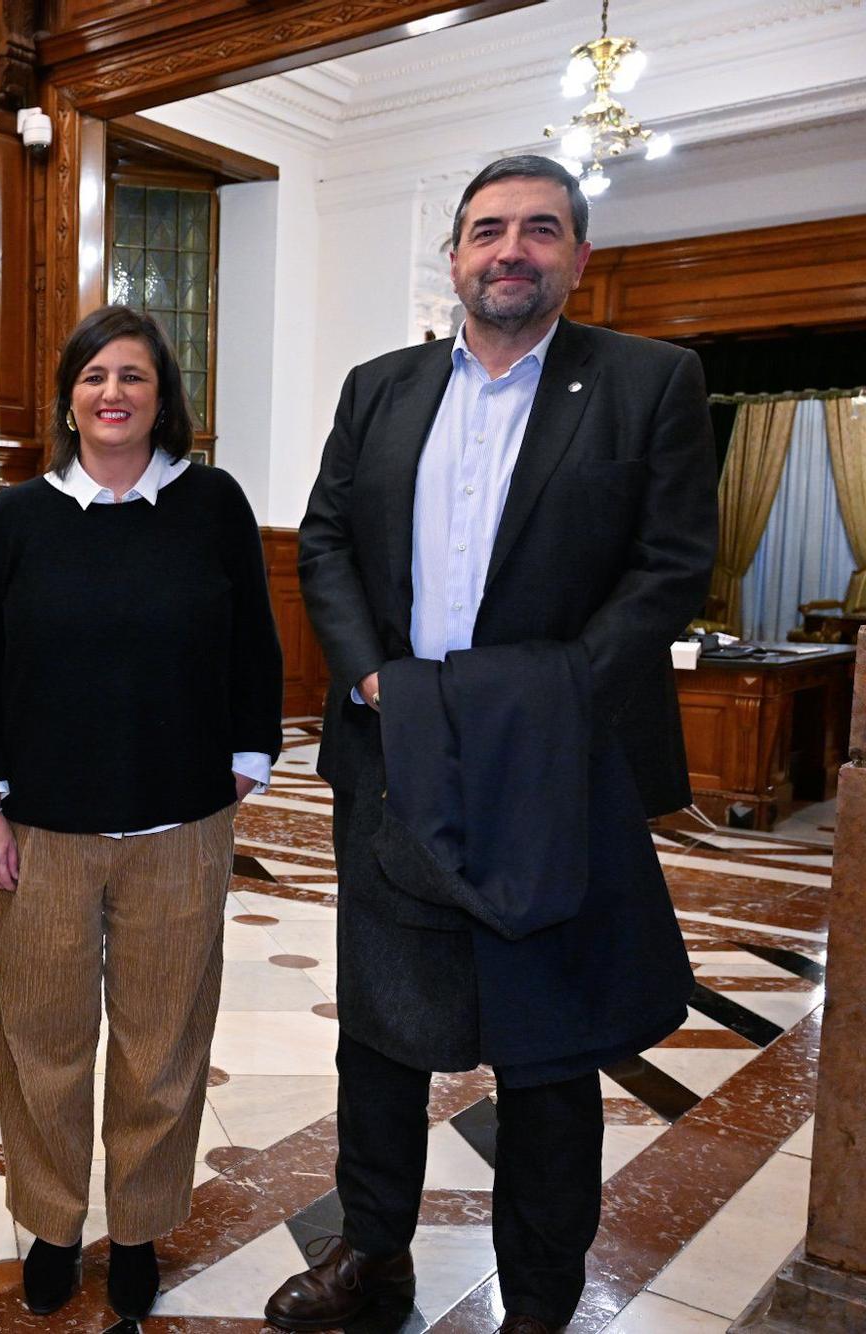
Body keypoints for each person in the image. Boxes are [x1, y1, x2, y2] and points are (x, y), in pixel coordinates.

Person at [268, 155, 717, 1334]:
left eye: (537, 229)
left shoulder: (647, 381)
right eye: (484, 230)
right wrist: (367, 670)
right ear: (453, 257)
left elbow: (668, 565)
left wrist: (550, 692)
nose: (507, 248)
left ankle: (537, 1301)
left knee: (548, 1054)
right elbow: (322, 542)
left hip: (553, 766)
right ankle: (372, 1256)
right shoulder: (379, 387)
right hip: (393, 753)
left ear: (575, 255)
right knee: (378, 1035)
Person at [0, 304, 283, 1320]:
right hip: (42, 831)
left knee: (162, 1044)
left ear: (160, 396)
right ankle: (53, 1224)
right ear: (68, 397)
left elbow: (253, 643)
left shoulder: (211, 504)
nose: (112, 394)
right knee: (43, 1039)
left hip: (177, 828)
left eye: (132, 376)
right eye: (94, 376)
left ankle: (136, 1226)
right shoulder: (19, 516)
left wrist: (244, 758)